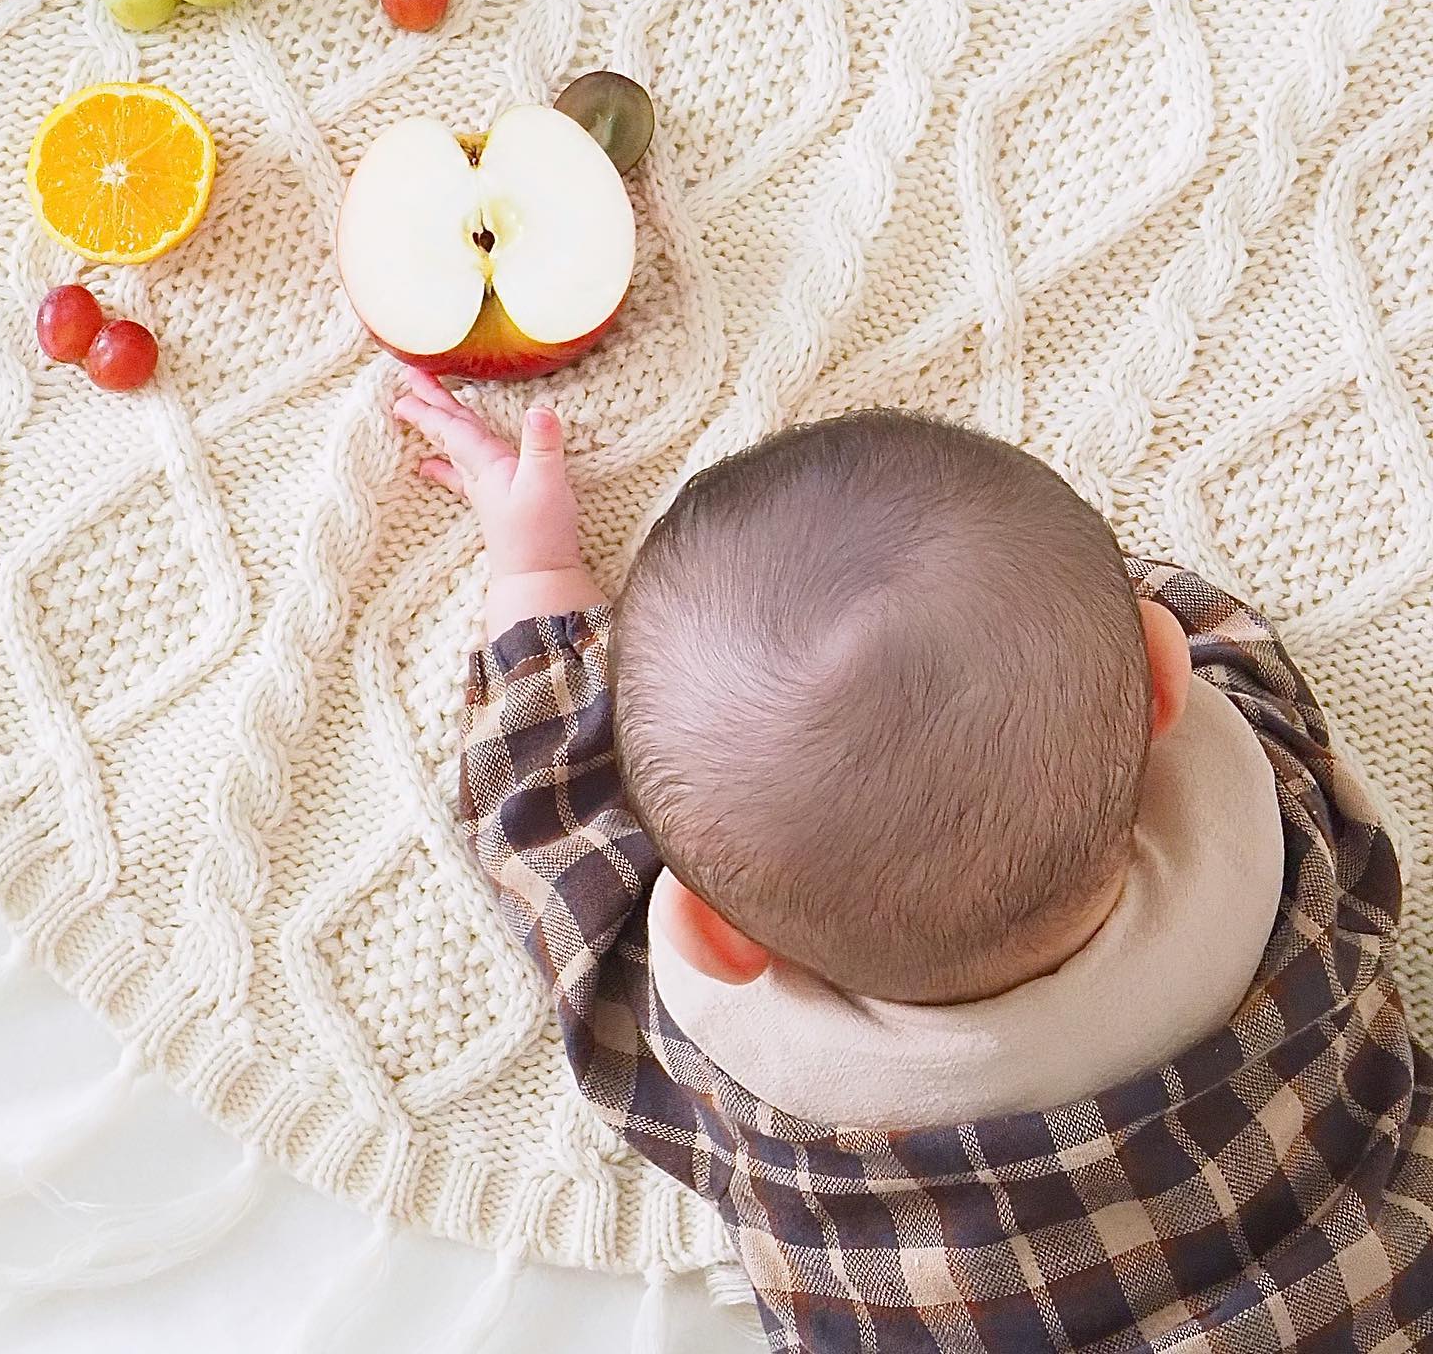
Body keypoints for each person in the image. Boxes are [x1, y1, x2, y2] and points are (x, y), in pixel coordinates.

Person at [393, 371, 1433, 1352]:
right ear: (1162, 680)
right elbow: (1208, 634)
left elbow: (549, 821)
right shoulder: (1281, 842)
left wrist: (534, 570)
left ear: (720, 937)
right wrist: (1069, 632)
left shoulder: (748, 1091)